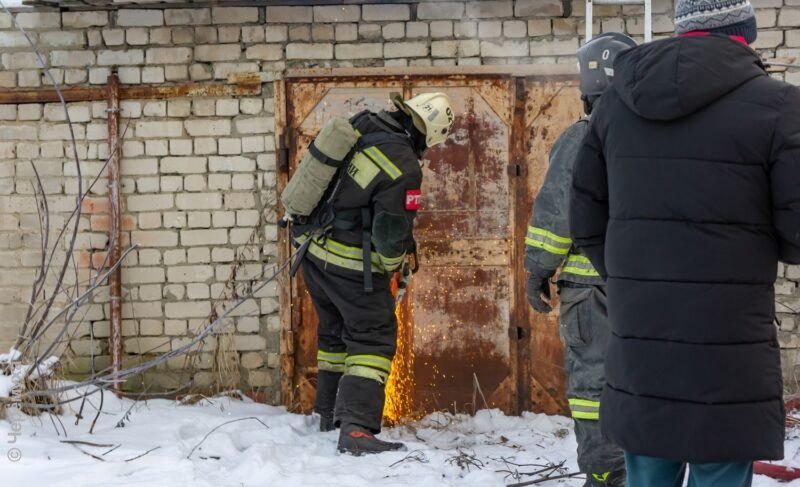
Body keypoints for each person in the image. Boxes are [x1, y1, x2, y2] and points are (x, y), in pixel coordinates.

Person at [569, 1, 800, 485]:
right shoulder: (780, 106)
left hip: (642, 335)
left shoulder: (615, 103)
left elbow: (586, 220)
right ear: (745, 31)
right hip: (728, 342)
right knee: (720, 463)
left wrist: (636, 279)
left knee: (649, 463)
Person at [293, 92, 454, 455]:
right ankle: (357, 429)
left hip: (313, 251)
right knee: (373, 336)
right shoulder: (405, 163)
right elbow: (390, 234)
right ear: (428, 134)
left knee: (336, 332)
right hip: (348, 261)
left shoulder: (365, 124)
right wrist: (395, 268)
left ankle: (328, 413)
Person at [525, 32, 635, 487]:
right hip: (647, 287)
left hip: (591, 292)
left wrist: (537, 269)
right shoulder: (656, 136)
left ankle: (607, 475)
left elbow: (556, 215)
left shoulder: (581, 138)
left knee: (593, 386)